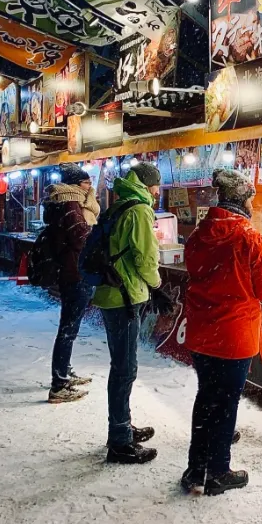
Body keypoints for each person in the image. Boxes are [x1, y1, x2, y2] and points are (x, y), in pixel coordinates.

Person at [182, 168, 262, 496]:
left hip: (201, 332)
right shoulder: (250, 238)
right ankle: (219, 472)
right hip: (234, 335)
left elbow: (197, 272)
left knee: (206, 398)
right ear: (243, 200)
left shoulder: (198, 234)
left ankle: (196, 469)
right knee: (226, 404)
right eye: (251, 198)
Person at [92, 162, 164, 464]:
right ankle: (120, 440)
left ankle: (122, 426)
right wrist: (157, 285)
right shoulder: (139, 211)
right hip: (123, 296)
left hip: (113, 293)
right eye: (157, 186)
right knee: (125, 369)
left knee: (122, 366)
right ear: (146, 184)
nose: (159, 192)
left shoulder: (119, 205)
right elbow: (146, 257)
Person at [45, 163, 101, 403]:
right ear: (77, 185)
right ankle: (59, 385)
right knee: (68, 329)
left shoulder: (67, 203)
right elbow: (81, 237)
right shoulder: (71, 204)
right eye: (87, 182)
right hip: (75, 272)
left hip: (71, 270)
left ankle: (64, 372)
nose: (91, 186)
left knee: (69, 327)